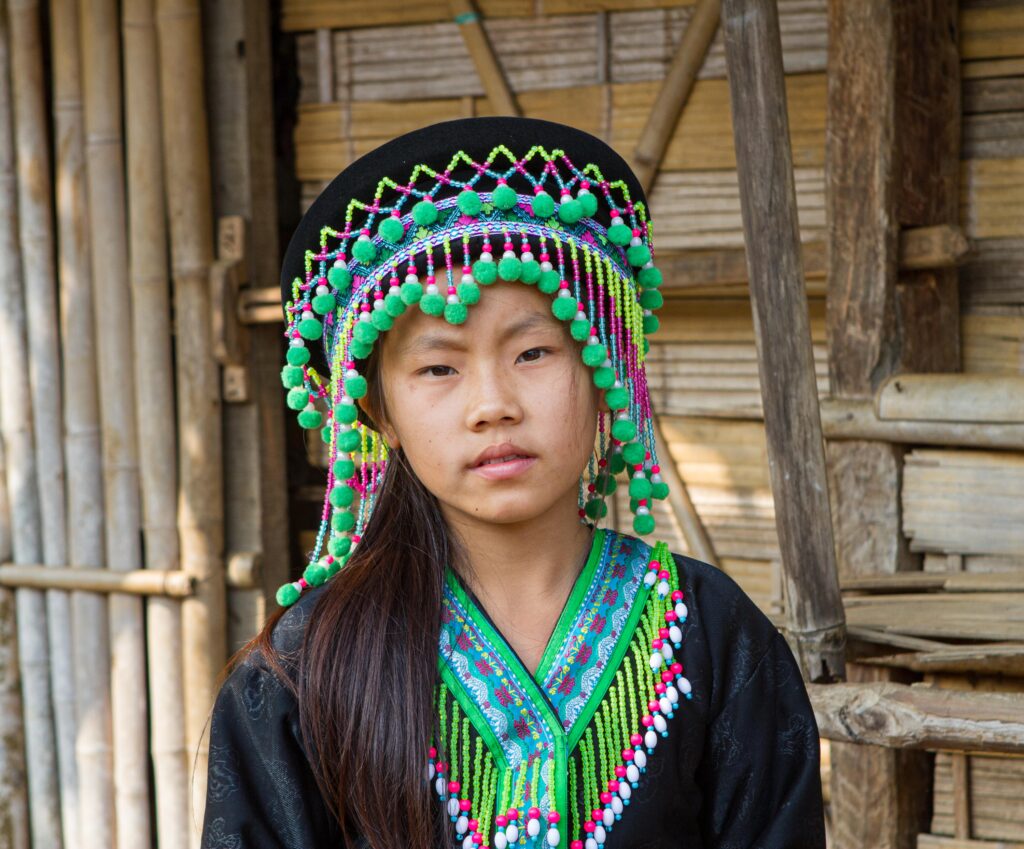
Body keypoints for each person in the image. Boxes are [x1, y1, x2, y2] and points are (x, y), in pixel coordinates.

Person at [198, 116, 827, 849]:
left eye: (533, 351)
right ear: (380, 412)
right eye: (439, 367)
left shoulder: (712, 637)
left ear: (603, 370)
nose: (493, 402)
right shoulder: (300, 675)